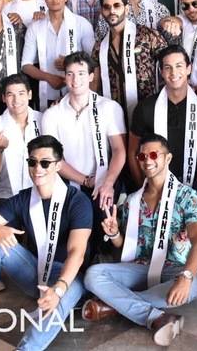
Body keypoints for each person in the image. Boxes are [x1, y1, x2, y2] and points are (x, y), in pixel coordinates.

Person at [0, 135, 92, 350]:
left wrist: (58, 289)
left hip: (69, 278)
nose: (38, 168)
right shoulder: (23, 198)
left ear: (58, 166)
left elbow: (77, 253)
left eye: (45, 163)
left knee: (53, 308)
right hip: (37, 272)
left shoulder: (77, 201)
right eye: (32, 162)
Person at [82, 134, 197, 347]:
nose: (147, 160)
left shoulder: (187, 197)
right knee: (93, 275)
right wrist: (115, 234)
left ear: (168, 158)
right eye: (142, 156)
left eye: (154, 155)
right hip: (140, 268)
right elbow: (124, 249)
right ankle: (156, 316)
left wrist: (186, 277)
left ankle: (113, 305)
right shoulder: (132, 201)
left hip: (176, 270)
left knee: (194, 284)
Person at [129, 45, 197, 276]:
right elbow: (133, 150)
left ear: (189, 69)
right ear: (161, 72)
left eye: (179, 66)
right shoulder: (146, 108)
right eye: (167, 68)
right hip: (159, 182)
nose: (173, 73)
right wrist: (142, 185)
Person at [41, 51, 126, 248]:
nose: (75, 79)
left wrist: (107, 182)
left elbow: (119, 150)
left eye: (81, 73)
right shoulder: (52, 114)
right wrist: (86, 181)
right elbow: (54, 159)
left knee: (107, 232)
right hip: (69, 183)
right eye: (70, 74)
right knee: (73, 241)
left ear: (91, 76)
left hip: (105, 181)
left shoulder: (109, 107)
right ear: (64, 77)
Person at [93, 0, 167, 123]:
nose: (112, 11)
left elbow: (169, 64)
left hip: (148, 114)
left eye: (117, 6)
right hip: (113, 119)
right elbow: (94, 84)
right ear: (102, 12)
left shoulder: (147, 35)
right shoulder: (99, 46)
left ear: (126, 9)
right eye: (107, 7)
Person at [21, 0, 95, 110]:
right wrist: (49, 78)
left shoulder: (81, 24)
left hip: (78, 89)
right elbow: (26, 65)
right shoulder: (35, 27)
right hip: (47, 90)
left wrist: (70, 62)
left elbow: (93, 60)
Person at [0, 73, 42, 203]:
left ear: (29, 95)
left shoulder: (44, 120)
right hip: (8, 195)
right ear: (4, 98)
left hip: (42, 192)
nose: (16, 100)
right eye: (10, 95)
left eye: (21, 93)